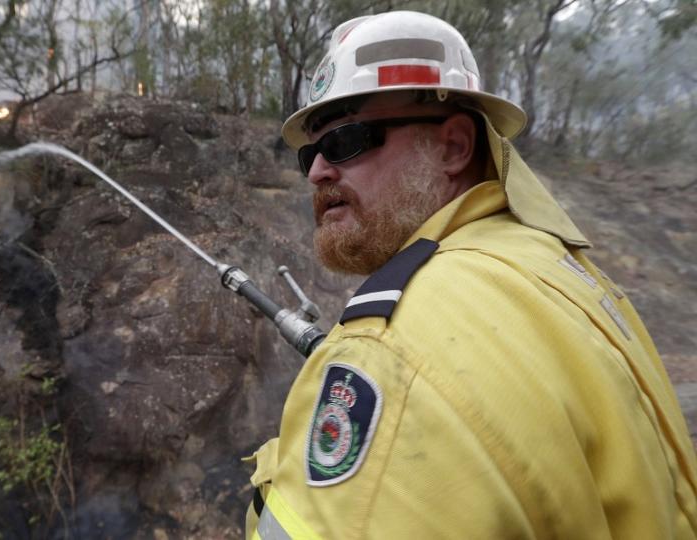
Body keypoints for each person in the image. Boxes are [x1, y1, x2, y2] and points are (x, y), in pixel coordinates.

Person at [244, 10, 697, 539]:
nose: (319, 170)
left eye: (346, 139)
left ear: (454, 147)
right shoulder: (560, 271)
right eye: (310, 153)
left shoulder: (386, 352)